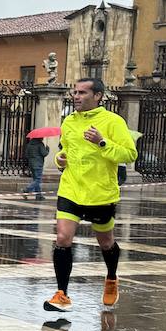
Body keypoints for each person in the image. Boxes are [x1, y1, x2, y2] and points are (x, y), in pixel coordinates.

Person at [43, 77, 137, 313]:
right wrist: (60, 159)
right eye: (75, 92)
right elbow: (65, 151)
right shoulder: (69, 121)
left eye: (82, 92)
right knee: (62, 238)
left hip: (100, 193)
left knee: (106, 242)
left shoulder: (113, 121)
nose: (76, 96)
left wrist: (102, 142)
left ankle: (112, 277)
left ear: (98, 96)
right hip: (71, 189)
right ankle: (62, 294)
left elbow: (129, 154)